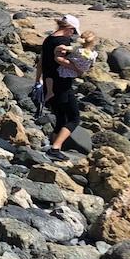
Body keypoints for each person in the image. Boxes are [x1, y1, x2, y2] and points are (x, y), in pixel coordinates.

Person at [35, 14, 82, 162]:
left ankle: (53, 147)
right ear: (69, 28)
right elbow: (59, 59)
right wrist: (77, 69)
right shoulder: (63, 41)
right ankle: (55, 149)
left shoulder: (49, 39)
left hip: (49, 83)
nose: (73, 35)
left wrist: (37, 78)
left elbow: (41, 61)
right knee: (74, 118)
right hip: (61, 84)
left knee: (61, 117)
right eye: (73, 32)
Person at [44, 30, 98, 102]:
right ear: (93, 42)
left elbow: (63, 48)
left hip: (66, 70)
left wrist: (58, 48)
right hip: (77, 71)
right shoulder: (94, 54)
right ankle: (62, 100)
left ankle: (50, 93)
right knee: (66, 87)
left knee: (50, 76)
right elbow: (92, 63)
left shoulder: (78, 50)